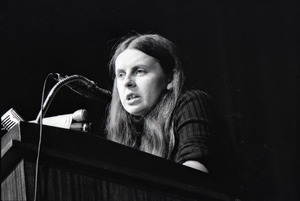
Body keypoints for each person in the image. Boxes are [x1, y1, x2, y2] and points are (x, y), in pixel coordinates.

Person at [105, 32, 227, 173]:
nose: (127, 82)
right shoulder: (129, 127)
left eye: (139, 71)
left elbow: (194, 176)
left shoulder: (191, 102)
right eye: (121, 74)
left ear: (171, 79)